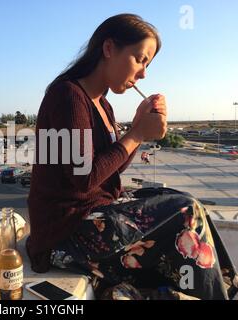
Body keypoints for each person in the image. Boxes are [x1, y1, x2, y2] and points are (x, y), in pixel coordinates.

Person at [26, 13, 237, 300]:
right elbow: (82, 178)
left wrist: (140, 130)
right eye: (140, 59)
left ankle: (226, 288)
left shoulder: (103, 105)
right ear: (109, 48)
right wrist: (137, 133)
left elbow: (110, 170)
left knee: (186, 201)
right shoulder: (67, 95)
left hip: (92, 218)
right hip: (64, 232)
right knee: (184, 209)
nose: (143, 74)